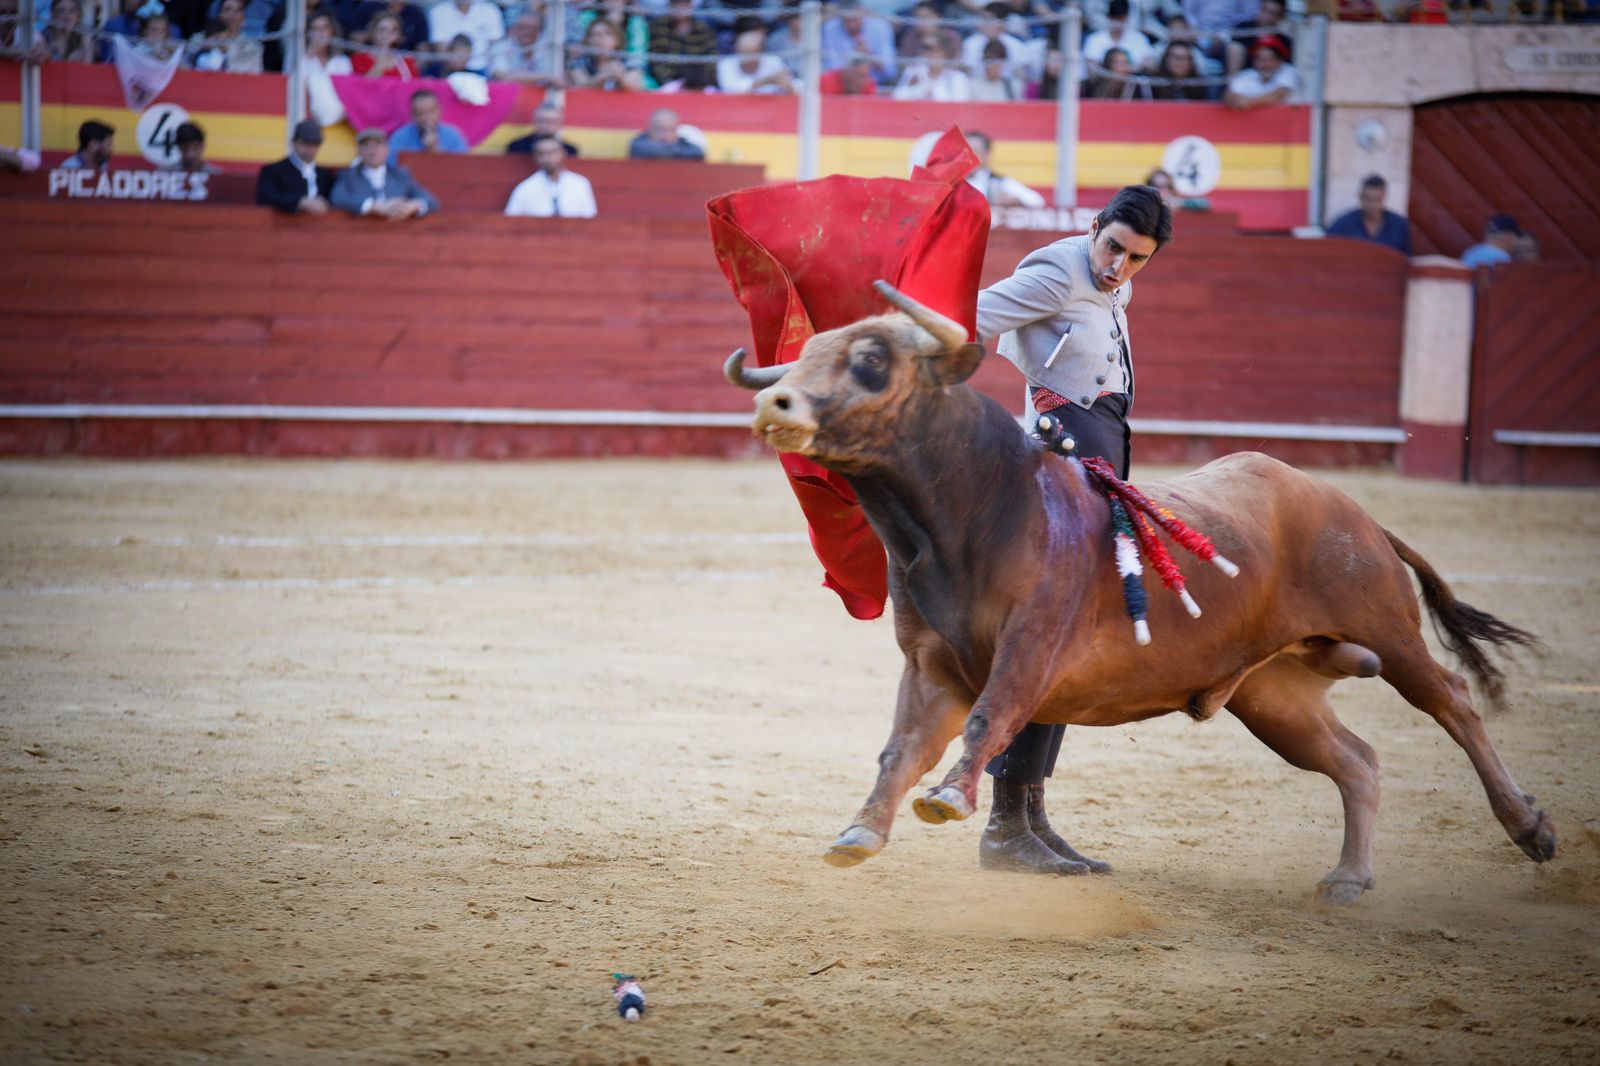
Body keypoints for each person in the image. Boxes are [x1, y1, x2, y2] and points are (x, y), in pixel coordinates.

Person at [972, 184, 1173, 876]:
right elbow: (970, 316)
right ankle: (1004, 825)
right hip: (1059, 464)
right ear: (1095, 227)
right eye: (1113, 246)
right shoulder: (1059, 271)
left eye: (1137, 258)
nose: (1119, 265)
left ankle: (1028, 813)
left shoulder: (1114, 285)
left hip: (1101, 455)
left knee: (1069, 643)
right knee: (1046, 634)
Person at [330, 127, 439, 220]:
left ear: (387, 149)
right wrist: (376, 207)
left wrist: (412, 206)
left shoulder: (400, 175)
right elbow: (338, 197)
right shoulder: (349, 175)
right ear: (359, 151)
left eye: (377, 145)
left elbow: (431, 200)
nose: (373, 151)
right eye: (367, 146)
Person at [256, 118, 335, 215]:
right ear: (293, 142)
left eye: (315, 145)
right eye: (305, 144)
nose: (310, 150)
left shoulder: (324, 175)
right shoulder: (273, 170)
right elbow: (265, 196)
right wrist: (300, 201)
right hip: (284, 228)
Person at [504, 137, 596, 218]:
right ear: (535, 157)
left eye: (552, 152)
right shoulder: (525, 188)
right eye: (541, 154)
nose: (547, 158)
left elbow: (590, 217)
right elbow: (511, 221)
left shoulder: (580, 184)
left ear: (563, 153)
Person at [1325, 174, 1411, 255]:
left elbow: (1409, 259)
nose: (1372, 205)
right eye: (1368, 199)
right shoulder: (1342, 225)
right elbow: (1328, 253)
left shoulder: (1400, 226)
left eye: (1377, 199)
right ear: (1360, 196)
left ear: (1384, 197)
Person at [821, 0, 897, 86]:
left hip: (878, 86)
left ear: (862, 14)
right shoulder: (831, 29)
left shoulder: (881, 27)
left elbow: (890, 72)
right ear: (840, 18)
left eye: (855, 20)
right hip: (843, 87)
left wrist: (870, 55)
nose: (852, 25)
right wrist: (853, 59)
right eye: (847, 21)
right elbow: (832, 69)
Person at [646, 0, 717, 89]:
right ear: (669, 4)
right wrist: (669, 82)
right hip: (668, 84)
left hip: (700, 84)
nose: (679, 6)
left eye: (684, 2)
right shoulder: (658, 27)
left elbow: (711, 61)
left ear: (691, 5)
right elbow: (656, 60)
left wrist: (700, 82)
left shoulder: (704, 29)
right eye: (676, 2)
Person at [386, 88, 468, 164]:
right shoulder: (400, 137)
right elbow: (392, 168)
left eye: (431, 111)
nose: (427, 118)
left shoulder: (453, 135)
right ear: (412, 115)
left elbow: (461, 167)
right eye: (420, 113)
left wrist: (433, 148)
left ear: (440, 111)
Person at [966, 130, 1044, 207]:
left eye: (974, 151)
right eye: (964, 151)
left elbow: (1037, 201)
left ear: (987, 154)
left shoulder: (999, 182)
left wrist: (1015, 201)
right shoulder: (955, 182)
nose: (968, 156)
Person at [568, 19, 645, 91]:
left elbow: (637, 87)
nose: (601, 38)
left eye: (608, 33)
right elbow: (581, 88)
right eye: (595, 34)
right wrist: (602, 77)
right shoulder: (580, 60)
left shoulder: (628, 60)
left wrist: (621, 77)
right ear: (588, 40)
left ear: (617, 40)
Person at [427, 0, 502, 72]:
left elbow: (497, 47)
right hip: (449, 69)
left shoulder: (490, 10)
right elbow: (441, 50)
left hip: (482, 69)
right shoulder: (439, 11)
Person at [1223, 34, 1295, 110]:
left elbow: (1278, 95)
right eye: (1260, 59)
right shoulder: (1247, 75)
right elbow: (1229, 95)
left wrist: (1248, 102)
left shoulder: (1288, 71)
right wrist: (1235, 100)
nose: (1266, 64)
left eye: (1270, 59)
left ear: (1280, 60)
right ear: (1254, 61)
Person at [192, 0, 265, 73]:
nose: (232, 14)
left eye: (238, 11)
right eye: (227, 9)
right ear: (219, 15)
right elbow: (186, 64)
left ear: (243, 17)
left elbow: (253, 72)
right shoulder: (199, 38)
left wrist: (223, 52)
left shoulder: (252, 46)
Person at [1083, 0, 1154, 72]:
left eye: (1121, 19)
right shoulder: (1095, 39)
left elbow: (1150, 64)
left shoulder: (1139, 38)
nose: (1117, 23)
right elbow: (1092, 69)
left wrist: (1131, 69)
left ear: (1127, 18)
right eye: (1114, 18)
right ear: (1109, 17)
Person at [892, 36, 970, 101]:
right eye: (923, 48)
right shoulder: (913, 71)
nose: (925, 53)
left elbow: (960, 104)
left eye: (930, 48)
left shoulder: (957, 77)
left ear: (944, 52)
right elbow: (897, 96)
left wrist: (934, 91)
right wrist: (920, 89)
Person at [489, 8, 557, 84]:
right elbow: (501, 76)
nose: (526, 32)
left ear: (540, 31)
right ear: (514, 29)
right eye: (522, 28)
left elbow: (557, 78)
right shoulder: (502, 47)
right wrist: (545, 77)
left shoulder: (548, 48)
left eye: (532, 29)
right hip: (511, 93)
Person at [718, 28, 794, 94]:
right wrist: (766, 81)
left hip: (770, 106)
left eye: (751, 54)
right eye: (743, 53)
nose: (746, 59)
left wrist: (788, 85)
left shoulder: (774, 61)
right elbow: (729, 89)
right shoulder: (726, 64)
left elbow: (792, 85)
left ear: (761, 52)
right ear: (736, 50)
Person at [352, 9, 416, 77]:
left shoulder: (407, 61)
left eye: (393, 30)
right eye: (382, 29)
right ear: (372, 32)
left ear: (399, 35)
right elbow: (365, 84)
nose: (387, 34)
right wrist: (384, 51)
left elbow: (413, 85)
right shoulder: (359, 58)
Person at [627, 108, 704, 161]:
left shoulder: (684, 143)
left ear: (676, 131)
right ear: (650, 129)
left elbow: (697, 153)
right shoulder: (639, 144)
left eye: (670, 130)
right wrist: (676, 152)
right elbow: (640, 149)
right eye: (659, 130)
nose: (664, 136)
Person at [506, 101, 579, 157]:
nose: (546, 126)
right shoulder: (517, 147)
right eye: (542, 121)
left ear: (559, 125)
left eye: (552, 122)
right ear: (534, 121)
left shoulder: (569, 150)